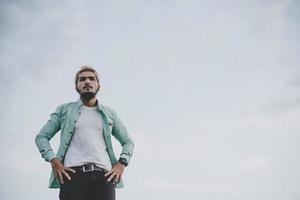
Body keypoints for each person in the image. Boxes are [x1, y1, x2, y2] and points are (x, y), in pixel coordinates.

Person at [35, 65, 134, 200]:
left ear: (98, 85)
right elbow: (42, 137)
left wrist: (122, 163)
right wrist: (54, 160)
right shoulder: (64, 110)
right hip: (72, 176)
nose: (87, 81)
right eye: (82, 79)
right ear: (77, 86)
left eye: (92, 79)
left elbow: (128, 142)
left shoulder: (109, 113)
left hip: (104, 178)